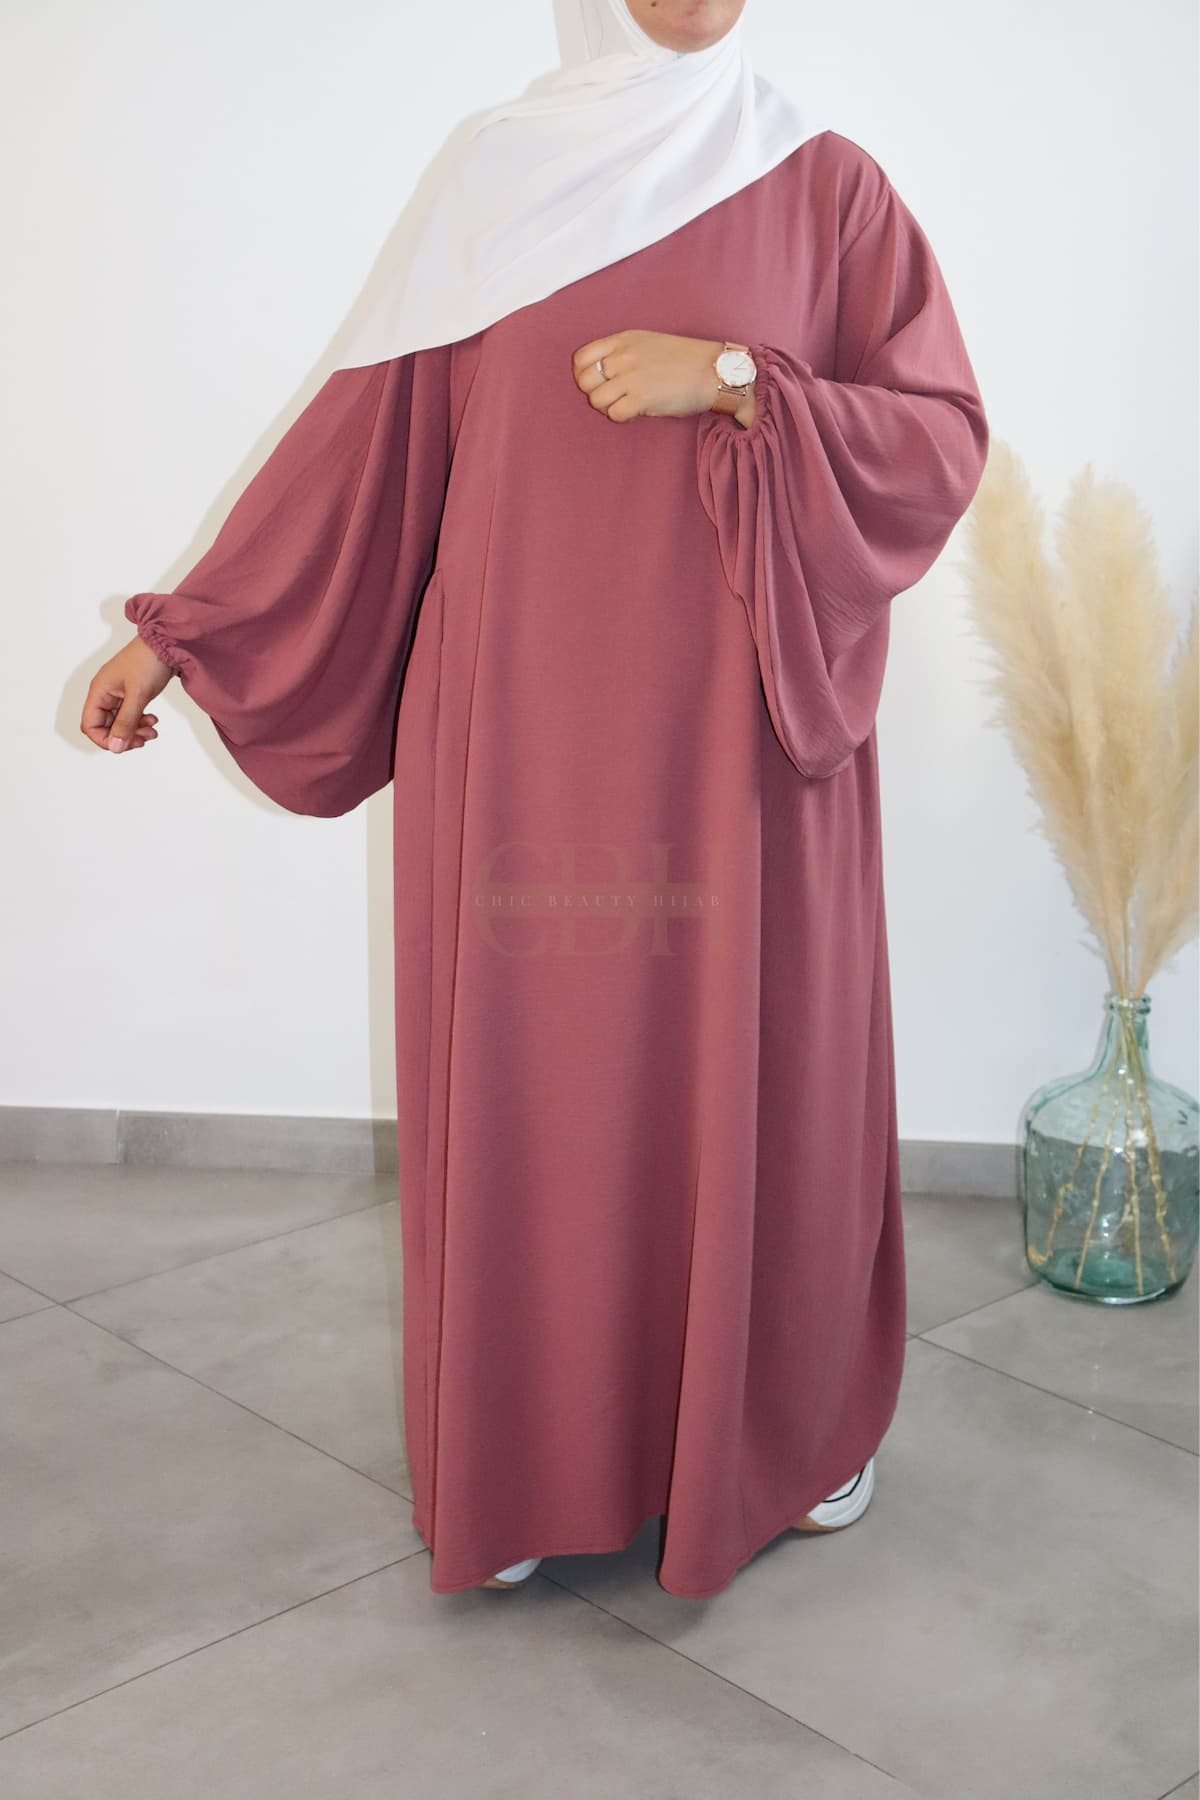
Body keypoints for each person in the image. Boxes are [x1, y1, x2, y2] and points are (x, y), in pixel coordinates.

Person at [80, 0, 989, 1597]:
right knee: (541, 1084)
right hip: (521, 736)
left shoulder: (829, 186)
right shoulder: (501, 173)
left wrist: (738, 381)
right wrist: (184, 634)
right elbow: (362, 450)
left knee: (755, 1072)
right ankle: (523, 1460)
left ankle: (781, 1435)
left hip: (738, 750)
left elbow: (937, 440)